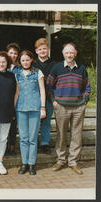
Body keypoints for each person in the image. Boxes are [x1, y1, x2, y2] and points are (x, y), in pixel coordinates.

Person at [46, 42, 91, 175]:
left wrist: (85, 100)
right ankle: (61, 160)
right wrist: (53, 101)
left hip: (78, 107)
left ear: (75, 53)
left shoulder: (81, 68)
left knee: (76, 135)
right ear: (63, 53)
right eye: (67, 52)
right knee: (61, 134)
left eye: (71, 52)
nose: (69, 54)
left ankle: (73, 162)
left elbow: (87, 87)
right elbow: (49, 86)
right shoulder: (56, 67)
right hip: (61, 106)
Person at [14, 50, 46, 175]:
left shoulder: (38, 73)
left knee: (32, 138)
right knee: (23, 138)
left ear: (31, 60)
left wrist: (42, 108)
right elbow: (17, 92)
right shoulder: (17, 74)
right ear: (20, 61)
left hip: (34, 108)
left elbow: (42, 91)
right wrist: (13, 108)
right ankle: (24, 163)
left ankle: (32, 164)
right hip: (21, 109)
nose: (25, 62)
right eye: (23, 60)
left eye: (27, 60)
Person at [34, 38, 56, 154]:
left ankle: (44, 143)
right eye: (40, 49)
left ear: (48, 50)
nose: (43, 51)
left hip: (48, 97)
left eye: (45, 49)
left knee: (46, 121)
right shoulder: (33, 64)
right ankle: (33, 142)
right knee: (34, 122)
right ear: (36, 51)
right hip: (34, 97)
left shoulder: (54, 64)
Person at [6, 42, 20, 156]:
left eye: (15, 53)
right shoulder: (2, 65)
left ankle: (12, 146)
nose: (13, 55)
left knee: (13, 125)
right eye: (11, 53)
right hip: (5, 99)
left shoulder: (19, 68)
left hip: (17, 99)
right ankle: (4, 147)